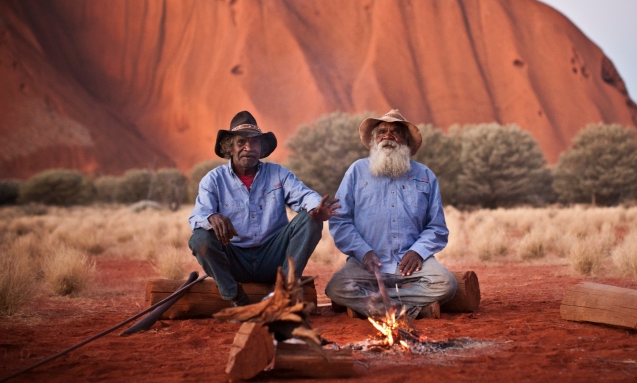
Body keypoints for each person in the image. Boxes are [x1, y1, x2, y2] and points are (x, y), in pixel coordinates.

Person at [188, 111, 339, 306]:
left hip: (274, 258)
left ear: (261, 148)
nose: (248, 148)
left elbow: (305, 195)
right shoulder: (213, 179)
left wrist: (316, 207)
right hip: (235, 260)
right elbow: (197, 217)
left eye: (255, 143)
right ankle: (235, 297)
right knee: (200, 238)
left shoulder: (278, 174)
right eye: (241, 142)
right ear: (230, 148)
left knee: (311, 220)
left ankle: (283, 292)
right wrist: (211, 218)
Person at [325, 109, 457, 318]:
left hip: (412, 266)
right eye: (382, 132)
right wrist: (363, 252)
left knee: (446, 284)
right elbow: (341, 220)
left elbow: (436, 227)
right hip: (368, 264)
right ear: (374, 140)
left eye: (395, 132)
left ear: (406, 141)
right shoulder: (356, 171)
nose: (388, 136)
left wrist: (418, 252)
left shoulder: (425, 176)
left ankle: (378, 306)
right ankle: (410, 308)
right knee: (336, 288)